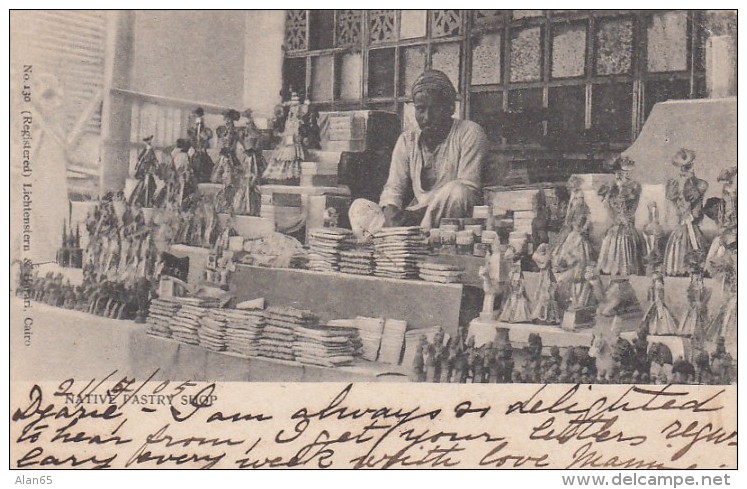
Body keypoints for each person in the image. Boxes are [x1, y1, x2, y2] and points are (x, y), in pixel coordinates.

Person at [352, 70, 487, 232]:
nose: (427, 117)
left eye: (435, 109)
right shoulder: (407, 140)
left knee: (458, 191)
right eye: (420, 109)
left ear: (450, 108)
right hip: (413, 217)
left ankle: (402, 239)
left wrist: (414, 217)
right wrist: (391, 214)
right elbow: (394, 188)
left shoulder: (469, 132)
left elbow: (469, 189)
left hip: (446, 218)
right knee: (359, 206)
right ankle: (395, 238)